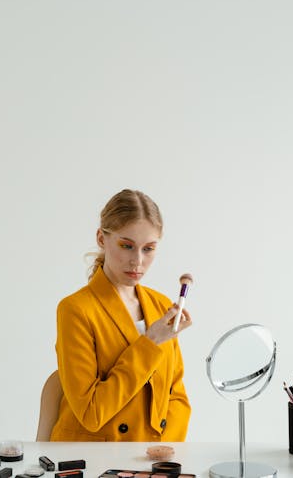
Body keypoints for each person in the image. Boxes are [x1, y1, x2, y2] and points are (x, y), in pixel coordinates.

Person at [50, 189, 192, 442]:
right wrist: (150, 343)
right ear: (102, 239)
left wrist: (164, 452)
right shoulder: (76, 309)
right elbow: (91, 413)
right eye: (126, 246)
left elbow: (176, 396)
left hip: (150, 459)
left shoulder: (161, 306)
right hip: (92, 458)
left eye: (148, 249)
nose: (137, 261)